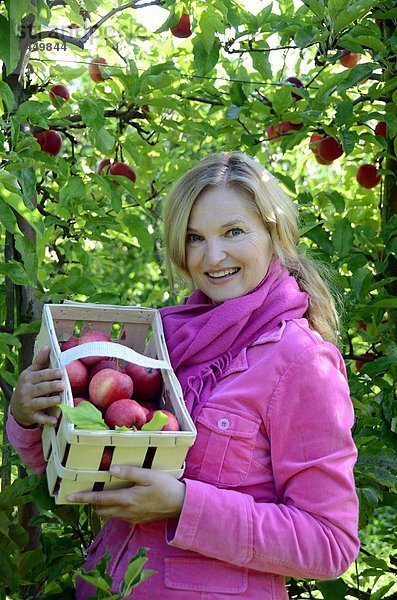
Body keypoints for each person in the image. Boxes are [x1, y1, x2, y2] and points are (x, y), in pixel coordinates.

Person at [7, 151, 360, 599]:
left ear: (275, 235)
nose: (213, 257)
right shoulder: (165, 342)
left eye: (233, 231)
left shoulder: (300, 361)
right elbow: (80, 470)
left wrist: (182, 505)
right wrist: (27, 415)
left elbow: (330, 544)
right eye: (195, 238)